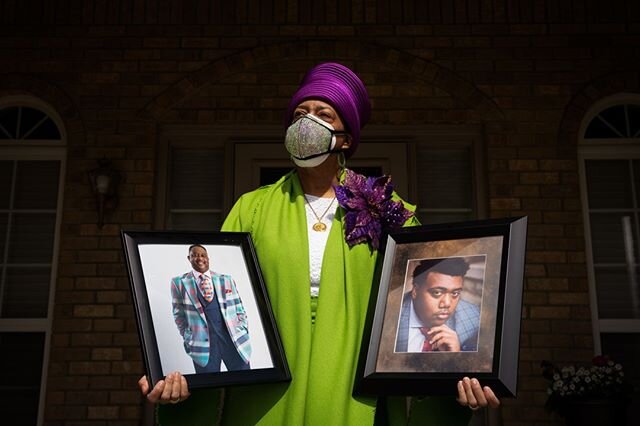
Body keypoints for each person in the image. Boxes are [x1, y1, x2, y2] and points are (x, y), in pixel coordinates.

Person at [139, 62, 500, 425]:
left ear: (345, 138)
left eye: (322, 113)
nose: (306, 122)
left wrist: (458, 373)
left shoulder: (390, 211)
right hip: (265, 396)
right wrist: (176, 373)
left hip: (353, 391)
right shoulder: (252, 208)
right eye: (300, 113)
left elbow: (416, 306)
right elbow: (218, 296)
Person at [171, 244, 251, 373]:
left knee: (246, 380)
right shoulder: (179, 282)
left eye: (203, 255)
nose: (199, 258)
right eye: (195, 255)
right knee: (210, 387)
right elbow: (178, 314)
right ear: (189, 258)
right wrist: (188, 336)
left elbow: (239, 307)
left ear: (208, 258)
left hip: (233, 341)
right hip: (203, 348)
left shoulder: (226, 279)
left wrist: (243, 328)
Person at [395, 257, 480, 353]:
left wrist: (456, 356)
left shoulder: (475, 320)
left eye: (455, 293)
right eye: (437, 292)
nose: (447, 304)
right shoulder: (390, 316)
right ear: (415, 291)